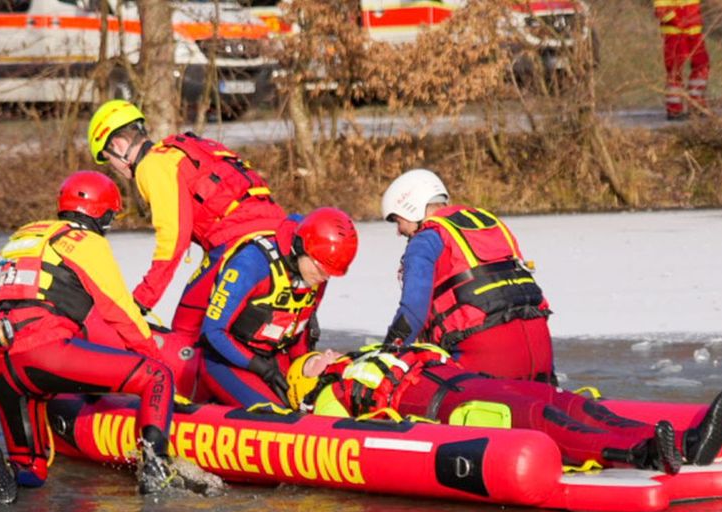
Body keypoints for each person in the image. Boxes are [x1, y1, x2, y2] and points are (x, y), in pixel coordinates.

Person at [0, 171, 221, 502]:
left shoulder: (26, 236)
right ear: (100, 212)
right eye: (110, 216)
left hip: (3, 364)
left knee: (32, 472)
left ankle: (10, 466)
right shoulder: (84, 242)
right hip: (45, 353)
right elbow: (118, 310)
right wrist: (154, 358)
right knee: (156, 376)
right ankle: (156, 468)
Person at [284, 344, 722, 475]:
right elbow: (343, 437)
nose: (320, 355)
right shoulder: (328, 397)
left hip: (477, 382)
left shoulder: (367, 353)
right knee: (548, 422)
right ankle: (645, 453)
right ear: (308, 380)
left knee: (571, 403)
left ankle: (684, 442)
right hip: (452, 405)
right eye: (311, 362)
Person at [87, 99, 286, 342]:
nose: (114, 167)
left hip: (238, 244)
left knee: (186, 326)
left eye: (109, 158)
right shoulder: (186, 147)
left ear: (118, 144)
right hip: (280, 236)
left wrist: (140, 301)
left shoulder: (152, 165)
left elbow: (173, 239)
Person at [379, 169, 554, 382]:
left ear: (412, 208)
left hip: (488, 362)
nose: (399, 231)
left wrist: (386, 357)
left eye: (398, 220)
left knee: (410, 383)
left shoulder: (425, 240)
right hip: (541, 356)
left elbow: (413, 312)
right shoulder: (491, 225)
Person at [197, 207, 358, 409]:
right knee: (275, 416)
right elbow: (212, 332)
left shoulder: (316, 274)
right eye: (320, 269)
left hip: (274, 360)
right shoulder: (251, 263)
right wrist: (259, 367)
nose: (324, 278)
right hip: (227, 361)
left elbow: (301, 327)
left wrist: (308, 367)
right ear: (301, 247)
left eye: (330, 274)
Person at [654, 0, 710, 120]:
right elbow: (661, 10)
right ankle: (674, 109)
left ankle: (697, 105)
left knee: (702, 65)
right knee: (675, 70)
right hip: (675, 34)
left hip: (694, 32)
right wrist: (678, 22)